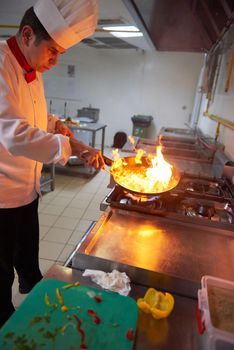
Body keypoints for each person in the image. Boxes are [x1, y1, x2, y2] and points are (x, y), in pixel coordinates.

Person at [0, 0, 104, 328]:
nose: (55, 62)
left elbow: (32, 116)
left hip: (26, 193)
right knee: (0, 273)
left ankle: (31, 284)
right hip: (1, 196)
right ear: (27, 35)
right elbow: (13, 133)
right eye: (53, 51)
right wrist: (70, 145)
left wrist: (56, 126)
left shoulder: (31, 70)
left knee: (28, 258)